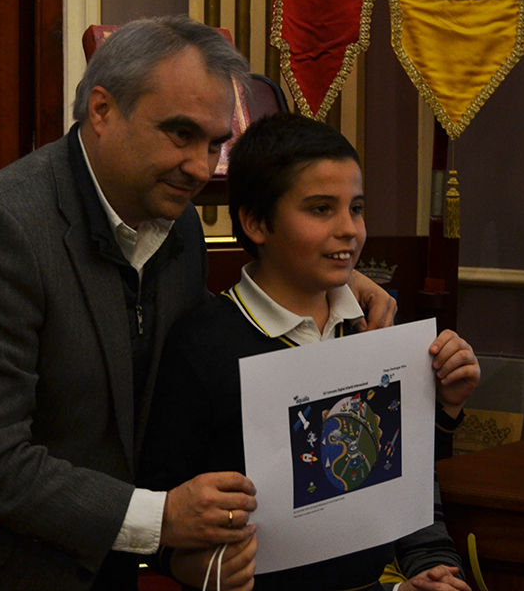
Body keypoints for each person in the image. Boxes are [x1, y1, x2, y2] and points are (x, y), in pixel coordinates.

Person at [0, 16, 395, 591]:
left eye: (216, 143)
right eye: (180, 134)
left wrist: (337, 286)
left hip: (88, 562)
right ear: (101, 110)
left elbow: (191, 362)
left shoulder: (178, 226)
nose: (201, 167)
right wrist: (162, 517)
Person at [139, 112, 479, 591]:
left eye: (356, 208)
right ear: (256, 222)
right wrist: (186, 563)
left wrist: (444, 408)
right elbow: (160, 511)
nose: (349, 230)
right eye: (321, 209)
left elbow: (401, 482)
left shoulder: (373, 328)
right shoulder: (200, 346)